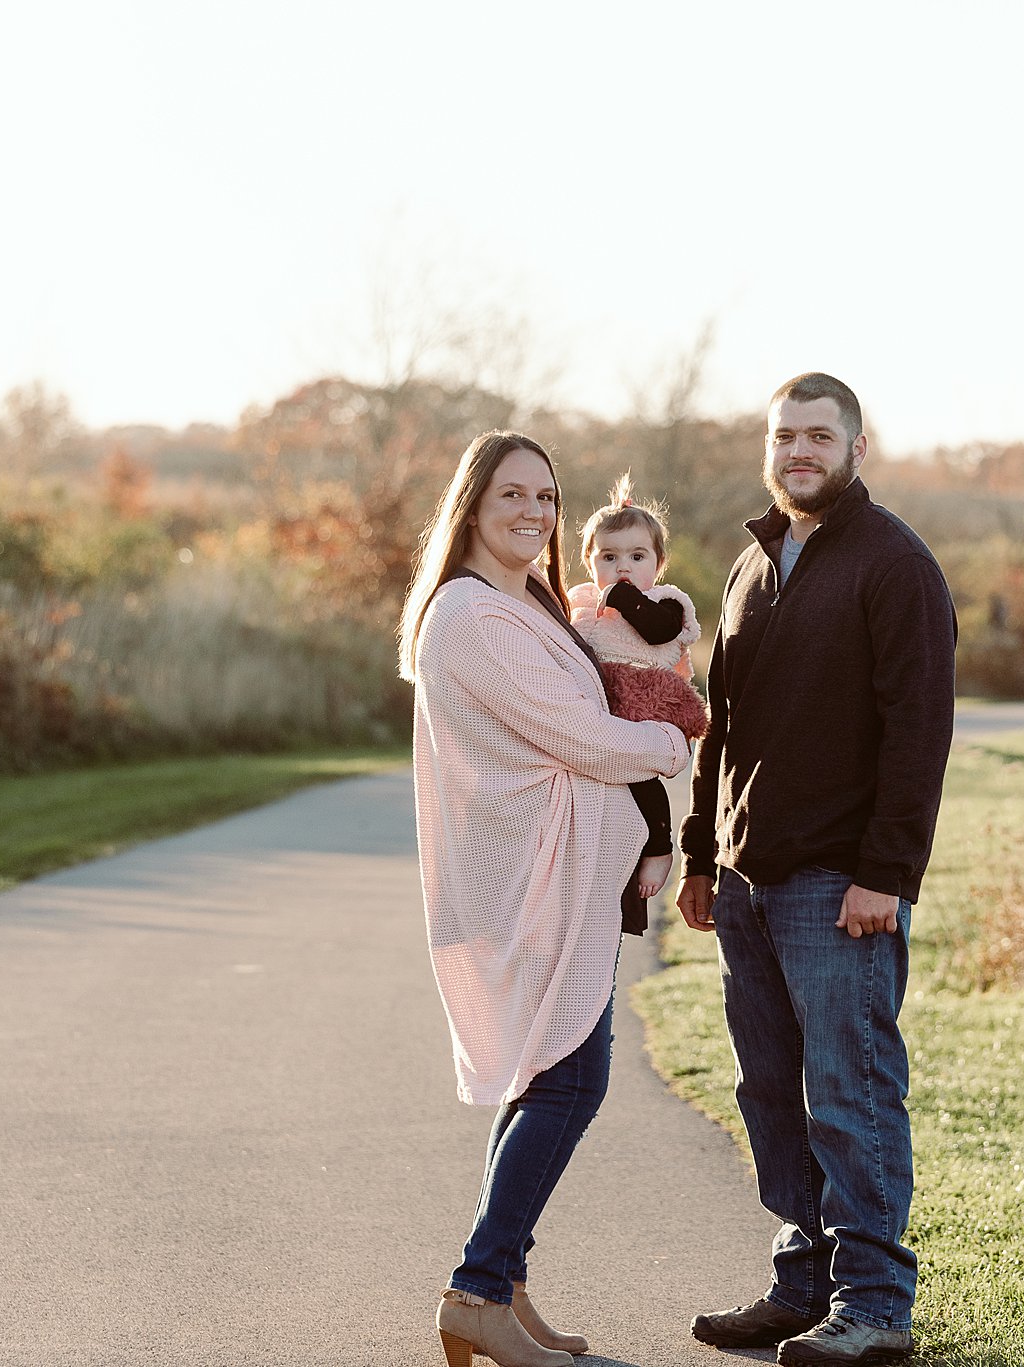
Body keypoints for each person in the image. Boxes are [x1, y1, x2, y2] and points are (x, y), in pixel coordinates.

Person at [676, 373, 957, 1366]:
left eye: (817, 435)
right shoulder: (753, 565)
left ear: (856, 445)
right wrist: (701, 852)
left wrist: (885, 873)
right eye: (784, 434)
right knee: (769, 1093)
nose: (798, 450)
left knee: (850, 1091)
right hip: (748, 882)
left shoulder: (894, 565)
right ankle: (800, 1283)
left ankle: (874, 1303)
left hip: (840, 885)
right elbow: (722, 725)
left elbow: (918, 733)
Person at [399, 430, 691, 1367]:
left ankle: (500, 1281)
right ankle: (478, 1287)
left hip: (573, 880)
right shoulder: (470, 616)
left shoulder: (530, 603)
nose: (535, 512)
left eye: (548, 497)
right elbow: (590, 737)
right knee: (570, 1077)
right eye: (514, 494)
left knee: (545, 1075)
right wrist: (676, 743)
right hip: (534, 882)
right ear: (472, 504)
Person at [567, 472, 710, 904]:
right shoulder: (582, 605)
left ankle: (659, 847)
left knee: (643, 779)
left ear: (658, 564)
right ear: (589, 560)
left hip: (646, 698)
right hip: (599, 700)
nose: (622, 567)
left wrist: (624, 597)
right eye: (608, 557)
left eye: (636, 556)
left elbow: (657, 631)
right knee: (603, 782)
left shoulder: (665, 602)